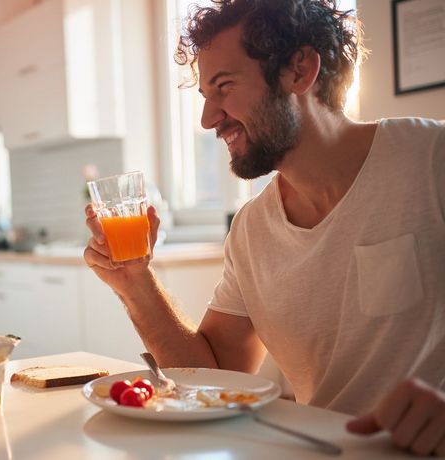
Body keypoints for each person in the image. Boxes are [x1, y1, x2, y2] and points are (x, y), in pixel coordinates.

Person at [83, 0, 444, 455]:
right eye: (205, 97)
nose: (208, 119)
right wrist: (135, 282)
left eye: (224, 87)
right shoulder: (252, 229)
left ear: (299, 71)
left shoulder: (431, 159)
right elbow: (211, 377)